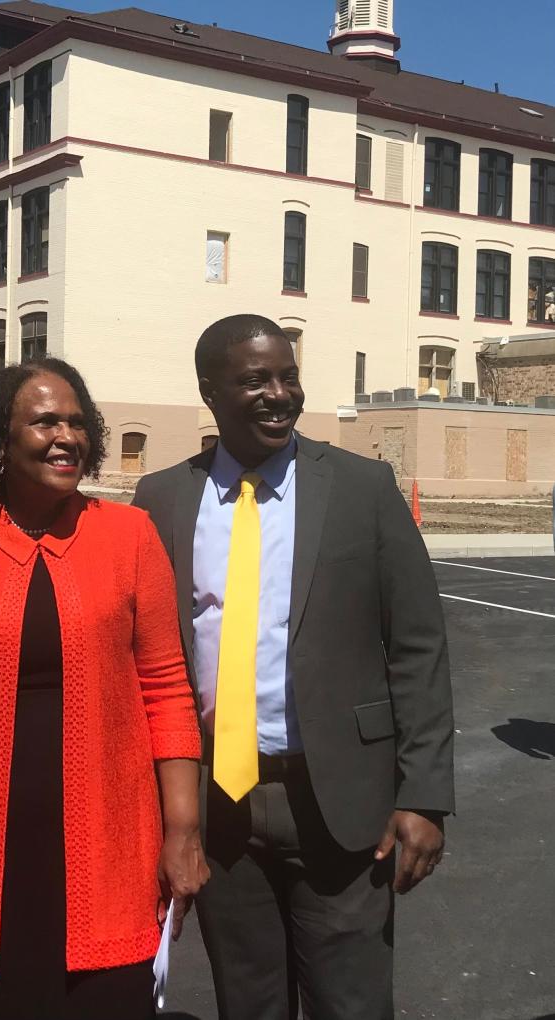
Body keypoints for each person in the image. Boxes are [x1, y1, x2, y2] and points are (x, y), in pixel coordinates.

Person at [133, 314, 455, 1020]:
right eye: (255, 380)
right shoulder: (162, 499)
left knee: (352, 1002)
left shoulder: (362, 488)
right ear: (210, 390)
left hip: (342, 798)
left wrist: (423, 794)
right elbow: (149, 659)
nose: (280, 394)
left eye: (289, 377)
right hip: (222, 804)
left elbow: (418, 645)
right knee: (247, 1001)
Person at [0, 358, 207, 1020]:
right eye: (45, 420)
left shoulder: (128, 535)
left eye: (78, 423)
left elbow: (165, 686)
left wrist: (183, 828)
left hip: (109, 839)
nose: (66, 437)